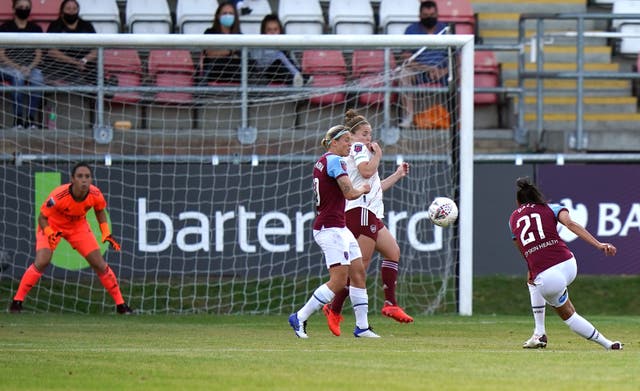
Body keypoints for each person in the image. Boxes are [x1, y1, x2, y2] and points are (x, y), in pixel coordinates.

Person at [322, 109, 413, 337]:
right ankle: (333, 309)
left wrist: (397, 174)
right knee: (358, 269)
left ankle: (390, 303)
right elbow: (365, 172)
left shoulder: (358, 151)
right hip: (359, 212)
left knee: (393, 252)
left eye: (370, 133)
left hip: (369, 212)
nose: (368, 138)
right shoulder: (359, 149)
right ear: (350, 136)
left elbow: (374, 186)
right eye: (364, 133)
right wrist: (378, 156)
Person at [509, 177, 621, 350]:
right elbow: (570, 224)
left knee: (568, 314)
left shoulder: (513, 219)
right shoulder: (551, 207)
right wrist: (599, 244)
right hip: (568, 263)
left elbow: (521, 247)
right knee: (532, 279)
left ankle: (606, 344)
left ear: (518, 202)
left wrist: (533, 267)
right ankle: (538, 333)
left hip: (548, 279)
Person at [289, 125, 379, 339]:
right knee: (339, 280)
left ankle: (362, 327)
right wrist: (363, 190)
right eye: (346, 140)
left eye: (350, 139)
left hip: (339, 227)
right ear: (333, 142)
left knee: (358, 273)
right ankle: (300, 317)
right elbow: (349, 193)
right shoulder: (335, 161)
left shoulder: (322, 161)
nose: (350, 144)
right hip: (330, 228)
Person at [9, 162, 133, 314]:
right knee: (42, 261)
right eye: (80, 176)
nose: (84, 180)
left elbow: (100, 210)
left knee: (99, 264)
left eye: (87, 176)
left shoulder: (95, 194)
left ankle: (121, 305)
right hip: (52, 225)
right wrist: (49, 233)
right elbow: (42, 218)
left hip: (77, 227)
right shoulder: (59, 195)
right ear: (72, 179)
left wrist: (105, 232)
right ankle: (17, 302)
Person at [398, 0, 450, 128]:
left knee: (461, 74)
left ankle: (457, 117)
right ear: (420, 15)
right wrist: (427, 68)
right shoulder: (411, 30)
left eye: (432, 14)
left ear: (437, 14)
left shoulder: (446, 29)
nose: (429, 18)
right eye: (426, 15)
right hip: (419, 70)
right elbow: (405, 57)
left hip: (443, 71)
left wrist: (444, 71)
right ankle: (408, 118)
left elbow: (456, 57)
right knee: (403, 74)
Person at [0, 0, 45, 129]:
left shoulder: (35, 29)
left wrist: (29, 68)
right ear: (13, 9)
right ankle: (18, 119)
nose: (24, 9)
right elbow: (1, 55)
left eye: (27, 7)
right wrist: (19, 67)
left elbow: (39, 54)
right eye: (20, 7)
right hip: (7, 68)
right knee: (18, 77)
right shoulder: (5, 28)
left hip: (30, 67)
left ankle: (30, 119)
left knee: (38, 79)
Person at [43, 0, 97, 85]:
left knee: (96, 77)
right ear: (62, 11)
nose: (71, 11)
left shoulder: (87, 26)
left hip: (85, 66)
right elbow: (51, 51)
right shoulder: (55, 26)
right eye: (68, 9)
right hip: (61, 67)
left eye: (74, 9)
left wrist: (83, 60)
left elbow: (96, 50)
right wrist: (75, 62)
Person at [249, 14, 306, 86]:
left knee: (284, 59)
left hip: (284, 75)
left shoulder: (284, 48)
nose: (273, 33)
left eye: (275, 29)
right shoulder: (258, 47)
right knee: (278, 63)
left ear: (280, 31)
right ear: (264, 32)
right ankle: (298, 79)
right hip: (266, 75)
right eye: (269, 30)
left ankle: (300, 78)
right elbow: (258, 67)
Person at [199, 1, 247, 85]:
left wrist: (222, 52)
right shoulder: (210, 32)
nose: (228, 16)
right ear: (218, 16)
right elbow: (210, 53)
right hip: (215, 71)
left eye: (231, 13)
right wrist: (230, 51)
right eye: (224, 13)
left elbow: (241, 56)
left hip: (234, 73)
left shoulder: (240, 35)